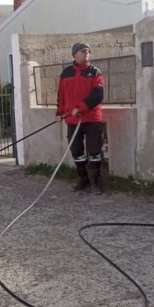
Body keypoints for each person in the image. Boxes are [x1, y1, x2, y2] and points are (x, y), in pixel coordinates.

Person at [56, 42, 105, 194]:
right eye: (84, 51)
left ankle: (95, 182)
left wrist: (81, 108)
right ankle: (83, 179)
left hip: (91, 119)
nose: (87, 53)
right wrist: (60, 112)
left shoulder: (95, 72)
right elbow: (61, 96)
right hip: (72, 120)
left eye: (88, 51)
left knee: (95, 151)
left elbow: (98, 95)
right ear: (75, 54)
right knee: (76, 150)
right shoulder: (66, 73)